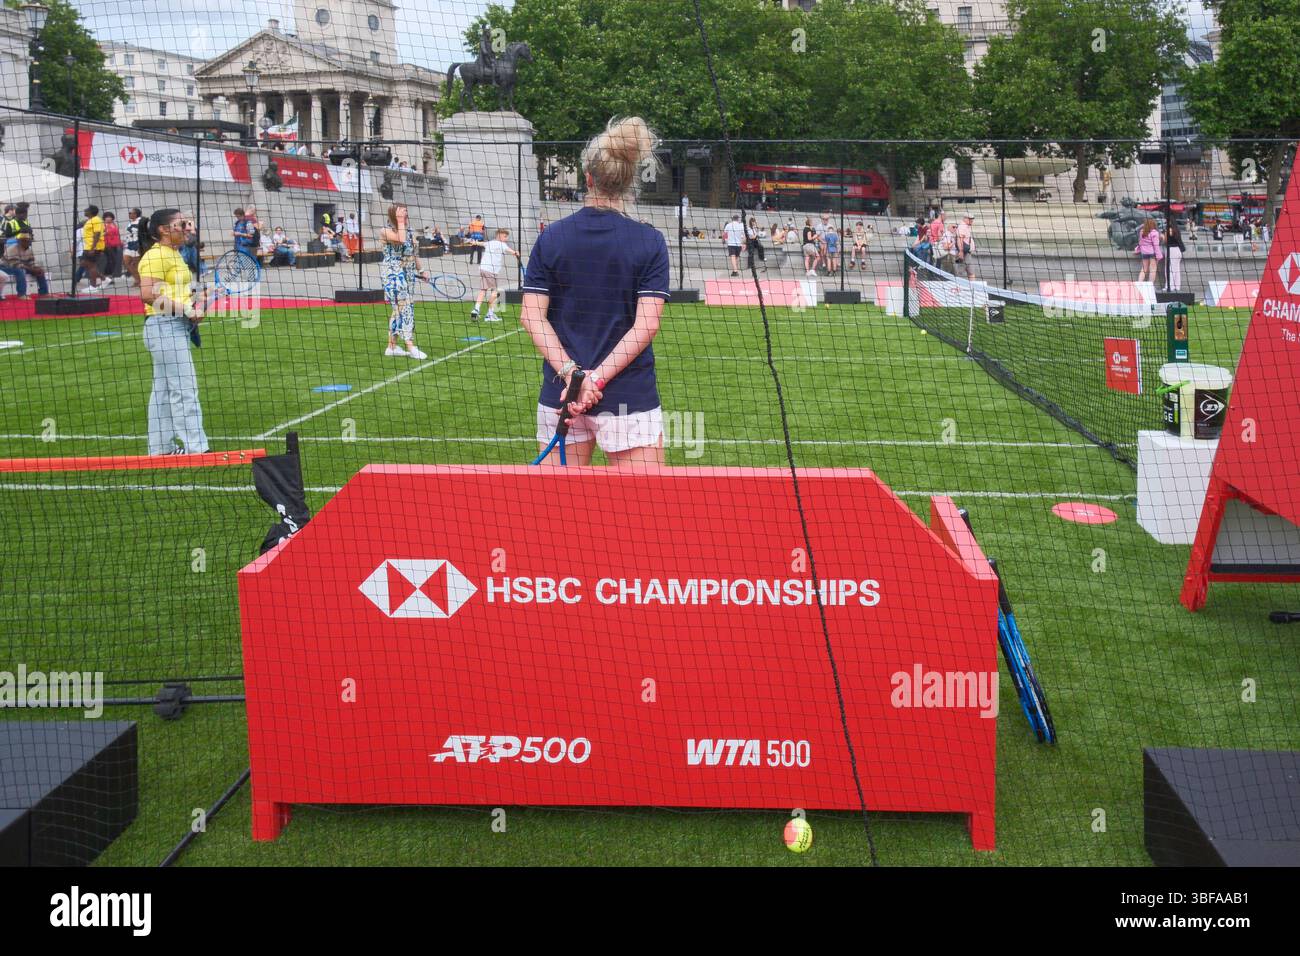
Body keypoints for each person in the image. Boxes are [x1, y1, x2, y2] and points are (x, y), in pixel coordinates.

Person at [520, 115, 670, 471]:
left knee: (559, 520)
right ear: (630, 180)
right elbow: (646, 326)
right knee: (643, 518)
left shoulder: (551, 237)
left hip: (562, 395)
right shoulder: (649, 241)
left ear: (588, 178)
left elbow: (531, 317)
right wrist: (594, 380)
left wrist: (575, 377)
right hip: (626, 399)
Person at [137, 208, 209, 456]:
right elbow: (148, 295)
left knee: (164, 391)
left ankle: (160, 449)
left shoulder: (175, 254)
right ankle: (196, 449)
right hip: (164, 326)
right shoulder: (156, 256)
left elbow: (174, 293)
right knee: (184, 389)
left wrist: (195, 301)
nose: (188, 228)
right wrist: (186, 310)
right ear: (164, 230)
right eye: (182, 224)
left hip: (172, 326)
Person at [379, 202, 429, 359]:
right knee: (405, 307)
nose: (406, 216)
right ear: (395, 215)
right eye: (402, 213)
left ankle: (391, 347)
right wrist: (400, 221)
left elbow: (412, 254)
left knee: (399, 309)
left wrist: (421, 270)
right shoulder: (385, 231)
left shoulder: (409, 231)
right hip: (393, 272)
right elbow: (400, 240)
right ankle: (410, 345)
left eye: (406, 213)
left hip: (408, 273)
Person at [470, 227, 521, 322]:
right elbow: (512, 252)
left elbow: (481, 243)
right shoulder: (502, 245)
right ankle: (490, 314)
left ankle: (476, 309)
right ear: (499, 235)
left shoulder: (490, 243)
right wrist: (516, 253)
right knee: (496, 292)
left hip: (482, 269)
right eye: (505, 236)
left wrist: (474, 242)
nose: (506, 238)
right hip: (491, 271)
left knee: (483, 290)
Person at [1, 232, 49, 297]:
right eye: (27, 241)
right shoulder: (12, 249)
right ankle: (22, 294)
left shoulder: (29, 250)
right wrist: (32, 269)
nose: (30, 242)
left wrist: (36, 268)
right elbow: (15, 265)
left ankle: (44, 293)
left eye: (30, 241)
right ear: (21, 241)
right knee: (20, 271)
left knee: (40, 271)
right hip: (5, 268)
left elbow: (31, 263)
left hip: (21, 267)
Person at [78, 205, 107, 290]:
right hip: (88, 246)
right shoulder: (90, 220)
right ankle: (104, 279)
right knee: (84, 263)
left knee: (91, 266)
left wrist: (93, 248)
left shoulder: (96, 220)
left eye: (86, 209)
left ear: (91, 211)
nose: (85, 210)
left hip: (94, 246)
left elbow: (97, 234)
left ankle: (93, 286)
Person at [123, 207, 145, 286]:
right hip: (129, 245)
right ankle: (137, 279)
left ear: (135, 214)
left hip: (137, 245)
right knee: (126, 262)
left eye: (130, 213)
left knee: (136, 264)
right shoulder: (130, 223)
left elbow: (143, 234)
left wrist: (140, 245)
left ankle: (141, 281)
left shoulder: (141, 221)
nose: (129, 214)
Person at [1135, 218, 1162, 283]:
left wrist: (1137, 249)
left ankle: (1139, 283)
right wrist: (1159, 255)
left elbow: (1140, 242)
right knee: (1153, 269)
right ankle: (1150, 285)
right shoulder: (1155, 232)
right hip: (1152, 253)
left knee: (1144, 269)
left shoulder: (1142, 231)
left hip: (1144, 253)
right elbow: (1156, 245)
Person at [102, 212, 124, 279]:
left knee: (114, 261)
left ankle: (111, 275)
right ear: (104, 218)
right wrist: (105, 233)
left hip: (115, 245)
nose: (108, 218)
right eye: (107, 217)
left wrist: (120, 242)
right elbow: (100, 235)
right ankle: (107, 276)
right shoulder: (102, 225)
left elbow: (117, 235)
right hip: (107, 245)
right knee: (109, 261)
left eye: (110, 217)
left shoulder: (114, 225)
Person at [954, 214, 976, 279]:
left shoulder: (966, 226)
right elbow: (959, 239)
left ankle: (972, 287)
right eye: (970, 219)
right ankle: (956, 287)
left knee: (971, 272)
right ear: (965, 218)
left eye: (972, 219)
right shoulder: (962, 226)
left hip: (967, 253)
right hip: (964, 253)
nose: (972, 221)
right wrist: (961, 251)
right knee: (959, 273)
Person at [1165, 221, 1184, 292]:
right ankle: (1177, 286)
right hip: (1178, 250)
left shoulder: (1169, 229)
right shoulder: (1177, 230)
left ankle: (1170, 286)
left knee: (1170, 269)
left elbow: (1166, 241)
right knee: (1177, 269)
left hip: (1172, 250)